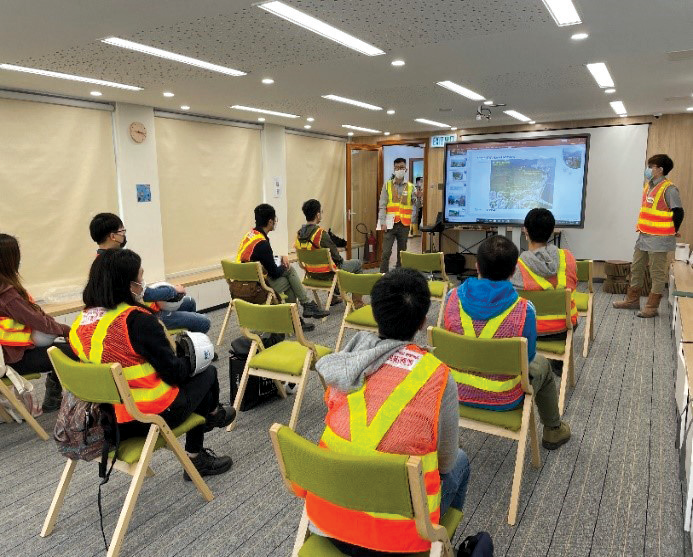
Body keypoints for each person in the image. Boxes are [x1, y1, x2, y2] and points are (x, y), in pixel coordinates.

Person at [312, 268, 469, 555]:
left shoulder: (346, 364)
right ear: (423, 322)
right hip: (396, 538)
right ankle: (442, 547)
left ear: (375, 314)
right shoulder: (438, 377)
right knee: (460, 461)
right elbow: (445, 464)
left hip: (329, 519)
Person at [70, 249, 234, 479]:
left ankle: (213, 414)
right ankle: (199, 451)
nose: (143, 284)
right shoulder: (137, 321)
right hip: (146, 416)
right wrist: (190, 359)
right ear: (128, 285)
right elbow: (175, 374)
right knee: (207, 373)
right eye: (140, 277)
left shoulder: (81, 323)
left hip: (104, 419)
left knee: (198, 382)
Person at [445, 235, 571, 449]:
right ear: (514, 271)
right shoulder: (524, 309)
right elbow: (527, 359)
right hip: (504, 396)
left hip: (454, 390)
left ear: (477, 266)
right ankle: (553, 430)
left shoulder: (451, 297)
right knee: (543, 365)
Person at [89, 213, 211, 333]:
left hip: (143, 306)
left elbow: (140, 290)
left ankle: (186, 342)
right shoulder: (115, 264)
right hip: (143, 315)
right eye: (122, 231)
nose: (124, 234)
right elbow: (145, 294)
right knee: (204, 322)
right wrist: (174, 290)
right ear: (113, 236)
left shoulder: (99, 261)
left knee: (190, 303)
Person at [0, 233, 74, 412]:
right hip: (13, 359)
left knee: (60, 347)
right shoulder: (8, 295)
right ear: (10, 260)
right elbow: (39, 322)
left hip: (8, 355)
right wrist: (68, 330)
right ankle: (60, 398)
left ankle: (55, 395)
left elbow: (36, 317)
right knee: (72, 350)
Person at [237, 204, 329, 332]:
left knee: (288, 282)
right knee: (289, 273)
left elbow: (261, 261)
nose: (275, 222)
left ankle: (297, 319)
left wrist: (278, 260)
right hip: (256, 290)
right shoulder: (263, 244)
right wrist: (283, 266)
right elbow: (274, 273)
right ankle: (305, 307)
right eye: (275, 219)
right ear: (270, 221)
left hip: (241, 285)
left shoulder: (250, 235)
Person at [613, 154, 684, 318]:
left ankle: (651, 307)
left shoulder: (669, 189)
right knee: (636, 268)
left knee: (656, 274)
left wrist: (674, 229)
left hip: (659, 239)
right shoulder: (649, 186)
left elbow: (679, 212)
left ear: (660, 169)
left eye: (651, 167)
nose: (648, 169)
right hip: (644, 236)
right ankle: (632, 300)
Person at [510, 208, 578, 335]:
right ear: (552, 231)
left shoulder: (516, 267)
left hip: (528, 330)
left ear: (525, 231)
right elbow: (574, 284)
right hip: (565, 326)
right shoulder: (568, 257)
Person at [295, 199, 363, 307]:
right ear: (317, 215)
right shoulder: (320, 234)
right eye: (320, 212)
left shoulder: (299, 234)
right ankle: (357, 303)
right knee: (357, 264)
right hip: (328, 274)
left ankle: (333, 298)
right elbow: (336, 256)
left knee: (330, 262)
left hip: (311, 274)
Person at [378, 158, 417, 272]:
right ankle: (383, 276)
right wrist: (382, 222)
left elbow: (415, 204)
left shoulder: (411, 186)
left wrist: (418, 197)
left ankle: (399, 276)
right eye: (397, 168)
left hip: (404, 225)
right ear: (394, 169)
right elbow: (382, 205)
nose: (399, 170)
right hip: (389, 224)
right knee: (386, 252)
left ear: (406, 169)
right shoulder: (387, 185)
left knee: (402, 253)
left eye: (402, 167)